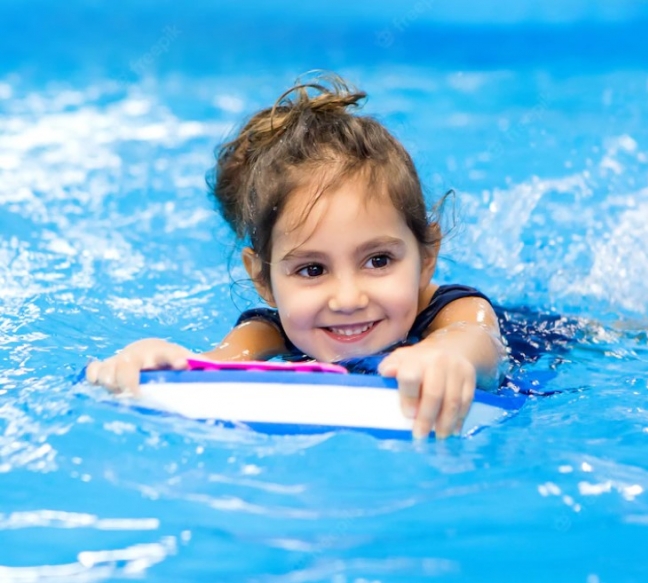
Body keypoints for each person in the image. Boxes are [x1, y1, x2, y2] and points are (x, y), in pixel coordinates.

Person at [86, 74, 505, 439]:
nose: (348, 299)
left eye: (378, 261)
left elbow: (477, 341)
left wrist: (445, 357)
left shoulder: (455, 311)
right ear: (263, 279)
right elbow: (216, 364)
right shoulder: (271, 333)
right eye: (312, 269)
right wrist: (155, 362)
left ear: (426, 256)